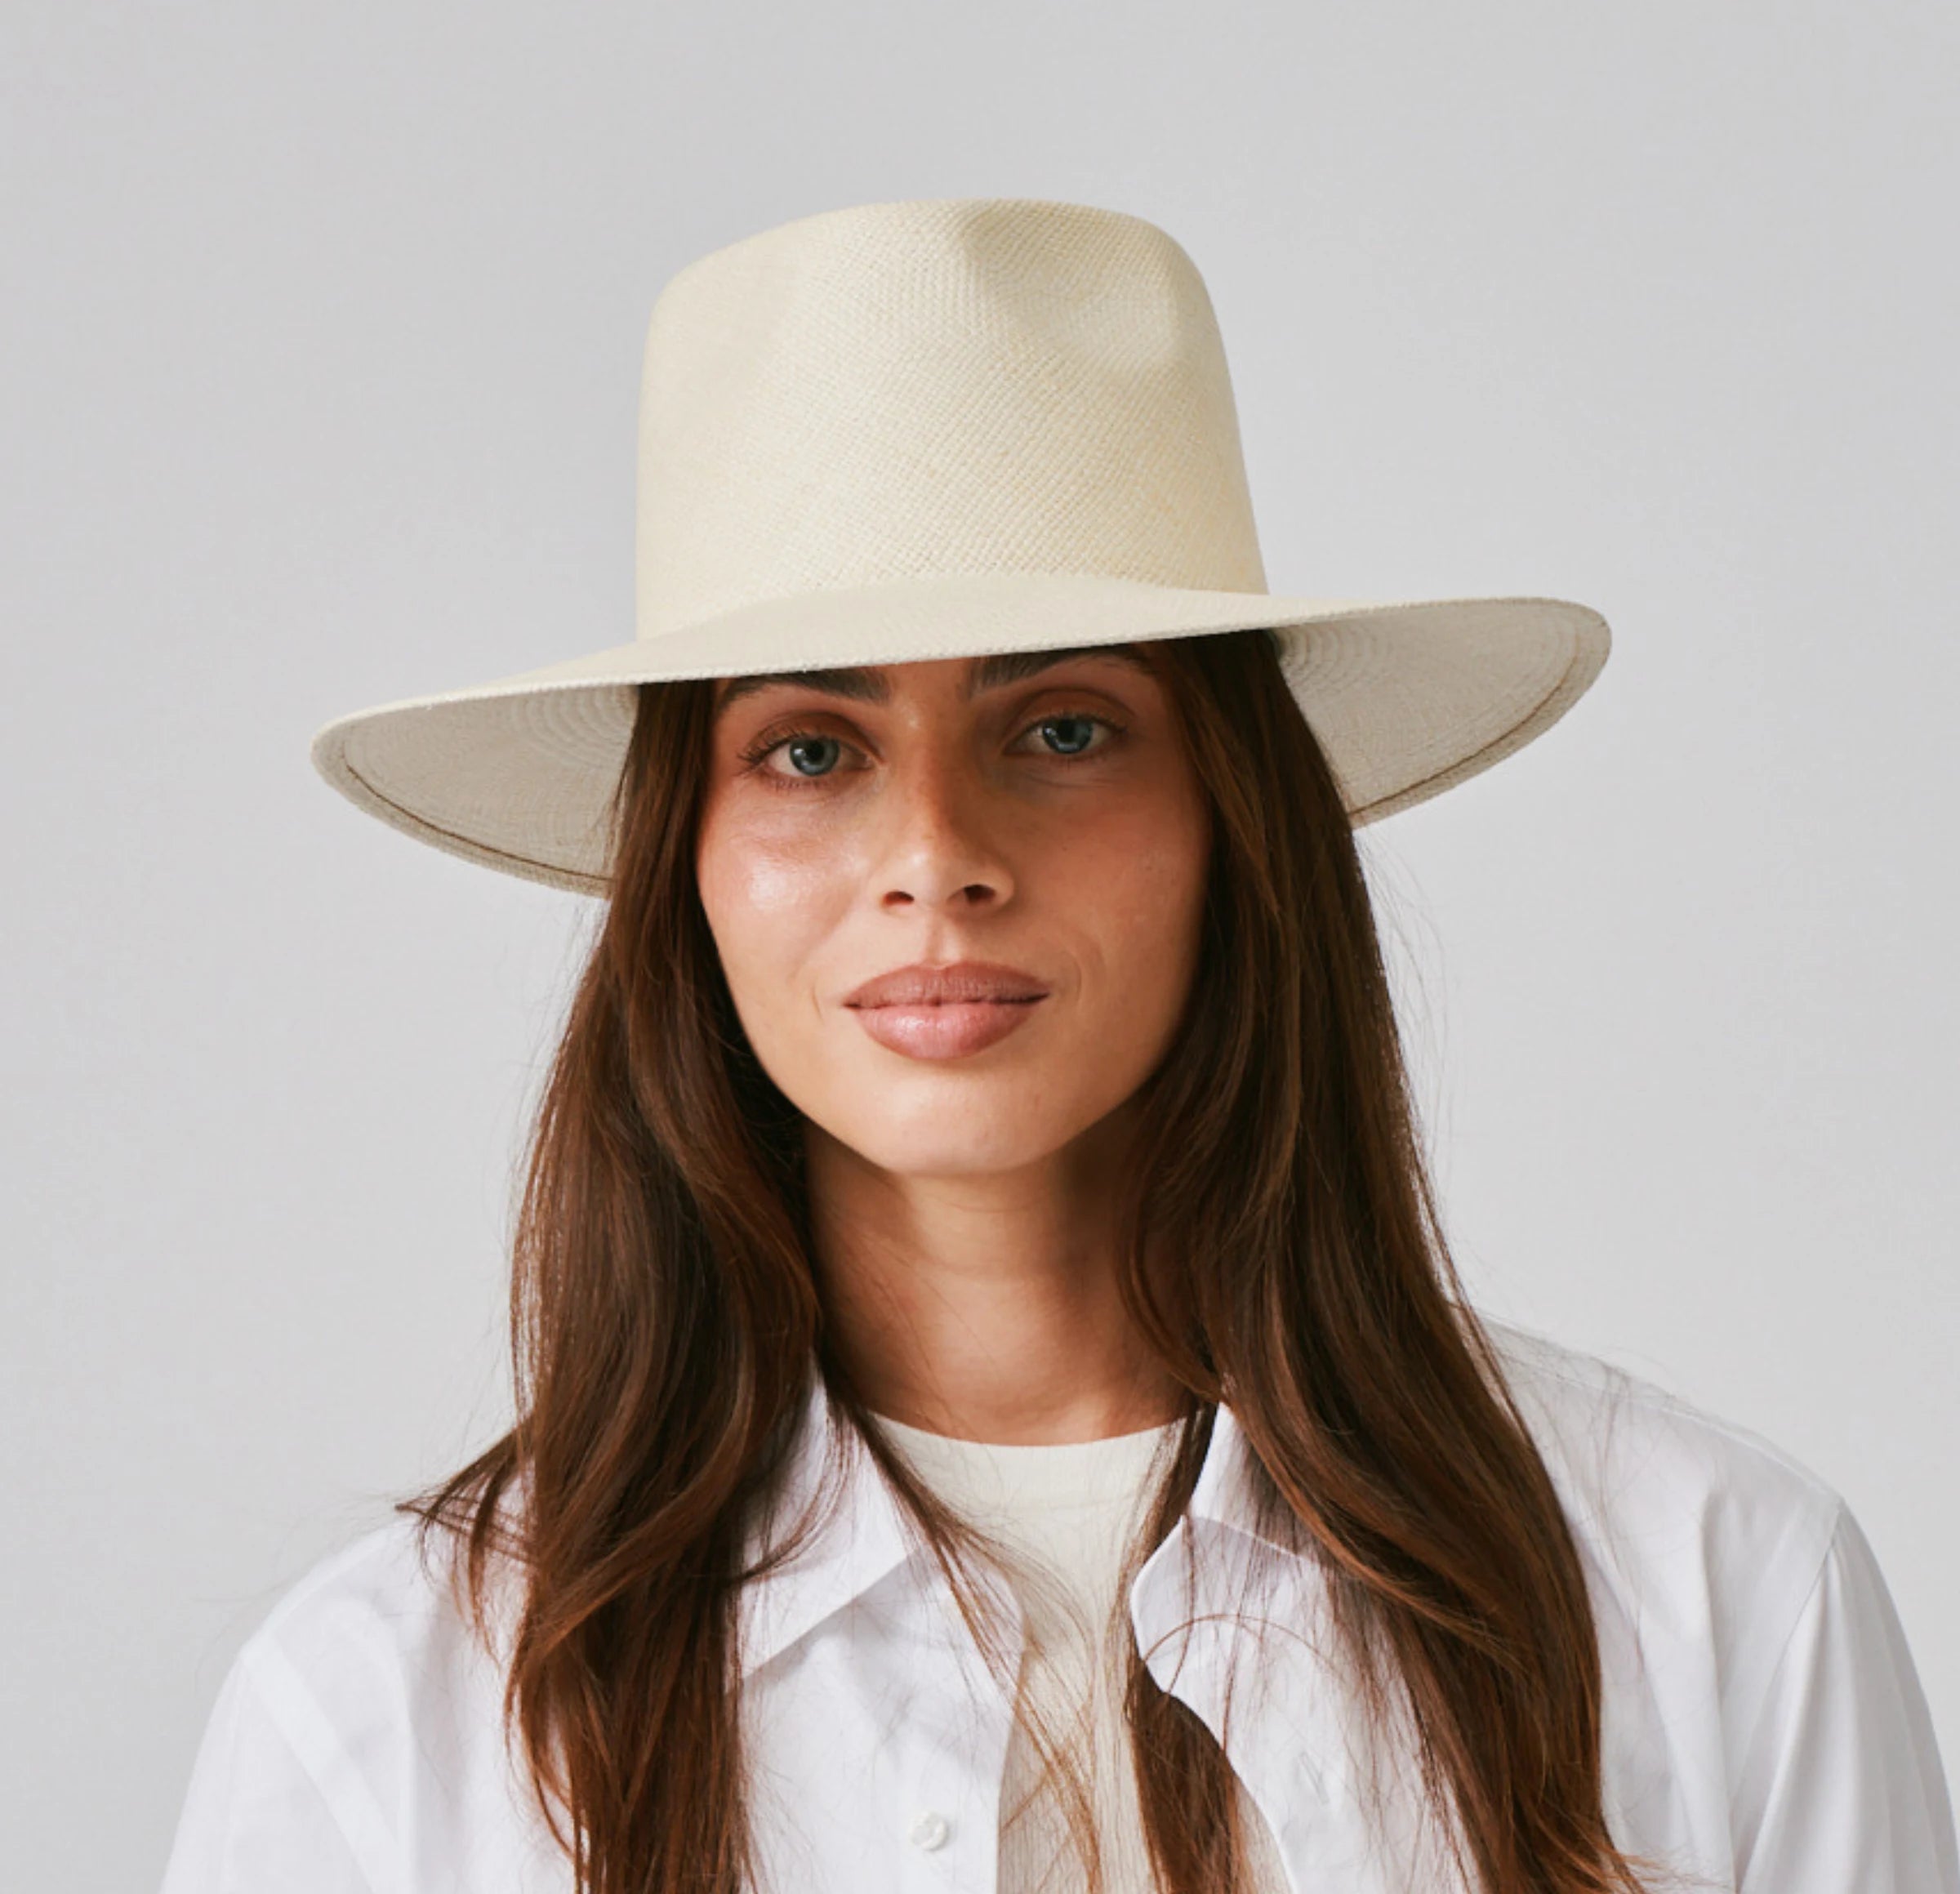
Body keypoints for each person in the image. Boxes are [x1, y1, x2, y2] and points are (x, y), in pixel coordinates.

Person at [158, 198, 1958, 1894]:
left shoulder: (1710, 1592)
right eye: (809, 749)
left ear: (1233, 817)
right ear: (683, 865)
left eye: (1068, 726)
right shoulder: (389, 1717)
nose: (938, 855)